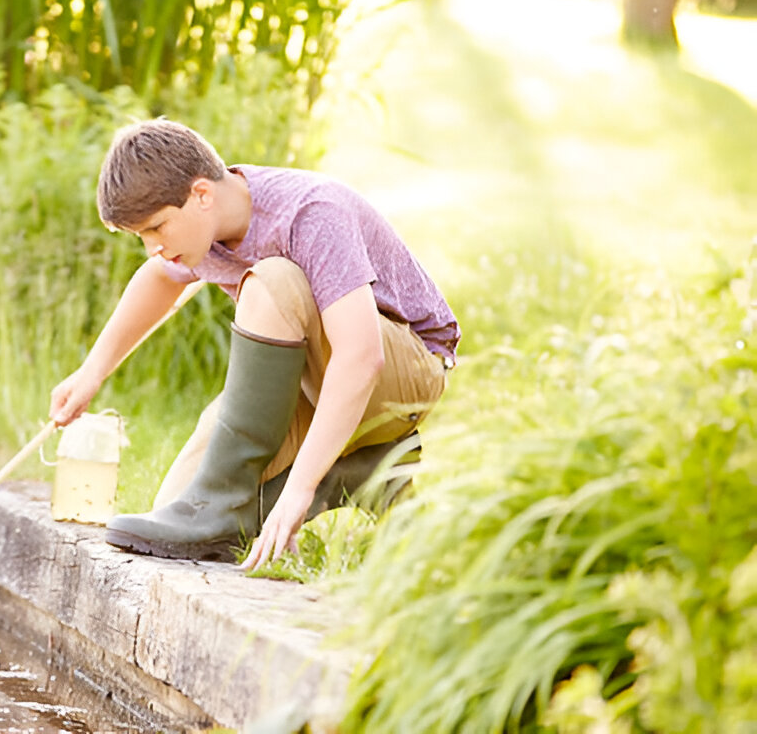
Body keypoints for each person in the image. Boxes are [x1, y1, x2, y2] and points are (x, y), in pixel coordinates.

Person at [48, 119, 459, 570]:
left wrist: (300, 488)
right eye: (142, 237)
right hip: (311, 382)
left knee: (272, 281)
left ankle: (343, 462)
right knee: (184, 514)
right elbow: (160, 278)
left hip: (403, 377)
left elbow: (361, 358)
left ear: (201, 194)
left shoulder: (310, 213)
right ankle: (360, 470)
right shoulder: (204, 230)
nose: (153, 247)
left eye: (157, 228)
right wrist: (91, 373)